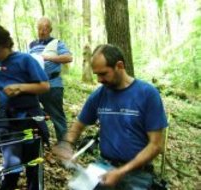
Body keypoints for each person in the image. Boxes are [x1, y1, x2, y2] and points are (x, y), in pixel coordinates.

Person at [53, 44, 168, 189]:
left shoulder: (147, 94)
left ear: (119, 66)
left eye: (103, 74)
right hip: (104, 167)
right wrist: (67, 144)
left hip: (137, 174)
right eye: (97, 75)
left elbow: (156, 145)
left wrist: (121, 172)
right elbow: (78, 125)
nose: (99, 80)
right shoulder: (99, 95)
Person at [0, 23, 50, 190]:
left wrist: (21, 88)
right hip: (7, 123)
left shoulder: (25, 60)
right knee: (11, 167)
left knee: (33, 166)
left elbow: (45, 85)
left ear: (6, 44)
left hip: (30, 120)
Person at [29, 17, 73, 142]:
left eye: (45, 29)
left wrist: (48, 58)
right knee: (33, 115)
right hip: (35, 86)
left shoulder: (57, 43)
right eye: (40, 29)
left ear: (50, 30)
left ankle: (64, 147)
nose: (42, 32)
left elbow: (68, 58)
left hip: (53, 85)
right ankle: (38, 143)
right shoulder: (32, 45)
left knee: (57, 117)